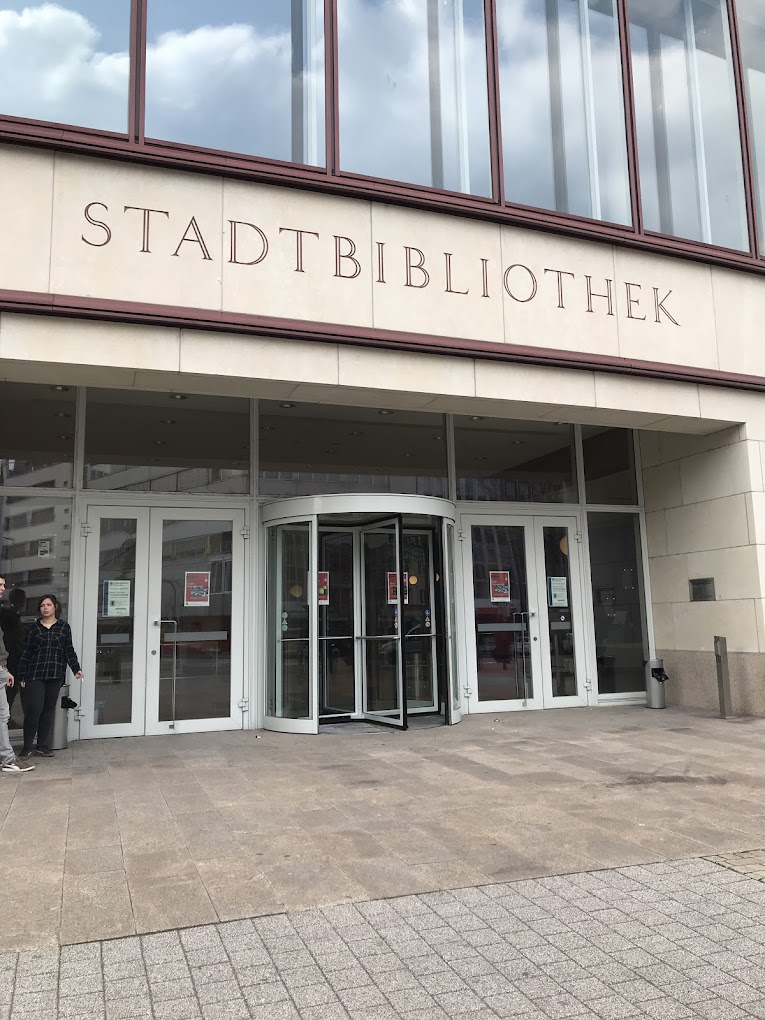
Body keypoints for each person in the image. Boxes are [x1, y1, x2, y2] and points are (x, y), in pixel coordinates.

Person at [18, 594, 83, 759]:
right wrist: (22, 675)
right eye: (42, 606)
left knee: (48, 710)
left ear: (55, 607)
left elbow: (69, 650)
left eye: (48, 605)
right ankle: (27, 747)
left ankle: (42, 746)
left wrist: (76, 669)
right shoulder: (33, 628)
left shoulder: (63, 627)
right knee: (34, 710)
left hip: (55, 674)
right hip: (35, 674)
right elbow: (26, 652)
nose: (45, 608)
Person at [0, 576, 34, 773]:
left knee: (3, 713)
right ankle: (7, 758)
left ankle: (7, 756)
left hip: (5, 667)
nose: (3, 588)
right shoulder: (9, 616)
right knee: (3, 714)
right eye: (1, 585)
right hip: (5, 666)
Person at [0, 587, 27, 726]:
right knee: (9, 695)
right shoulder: (9, 617)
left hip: (12, 660)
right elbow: (14, 641)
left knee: (10, 695)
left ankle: (8, 721)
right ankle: (7, 721)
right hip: (10, 661)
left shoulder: (12, 616)